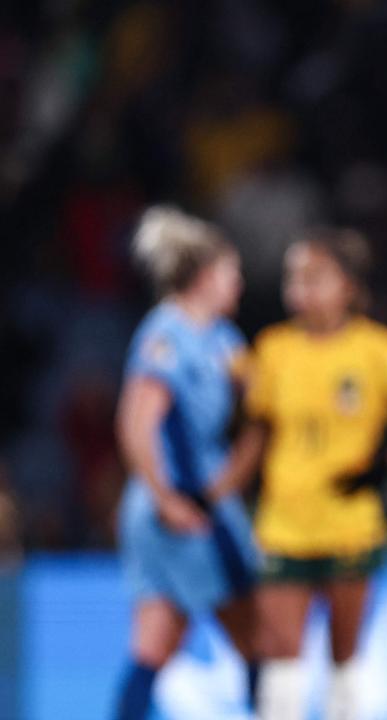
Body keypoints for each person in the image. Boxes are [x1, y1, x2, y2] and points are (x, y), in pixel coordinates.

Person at [218, 229, 387, 720]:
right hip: (283, 525)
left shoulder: (378, 350)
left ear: (348, 286)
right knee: (281, 663)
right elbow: (255, 437)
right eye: (293, 278)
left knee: (345, 663)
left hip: (349, 524)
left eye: (315, 277)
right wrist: (217, 493)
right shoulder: (272, 350)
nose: (300, 289)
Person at [113, 206, 258, 719]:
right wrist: (167, 499)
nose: (238, 283)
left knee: (156, 639)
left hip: (201, 501)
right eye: (230, 272)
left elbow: (258, 417)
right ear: (204, 275)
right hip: (180, 509)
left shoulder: (224, 341)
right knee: (255, 632)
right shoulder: (167, 334)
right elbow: (136, 422)